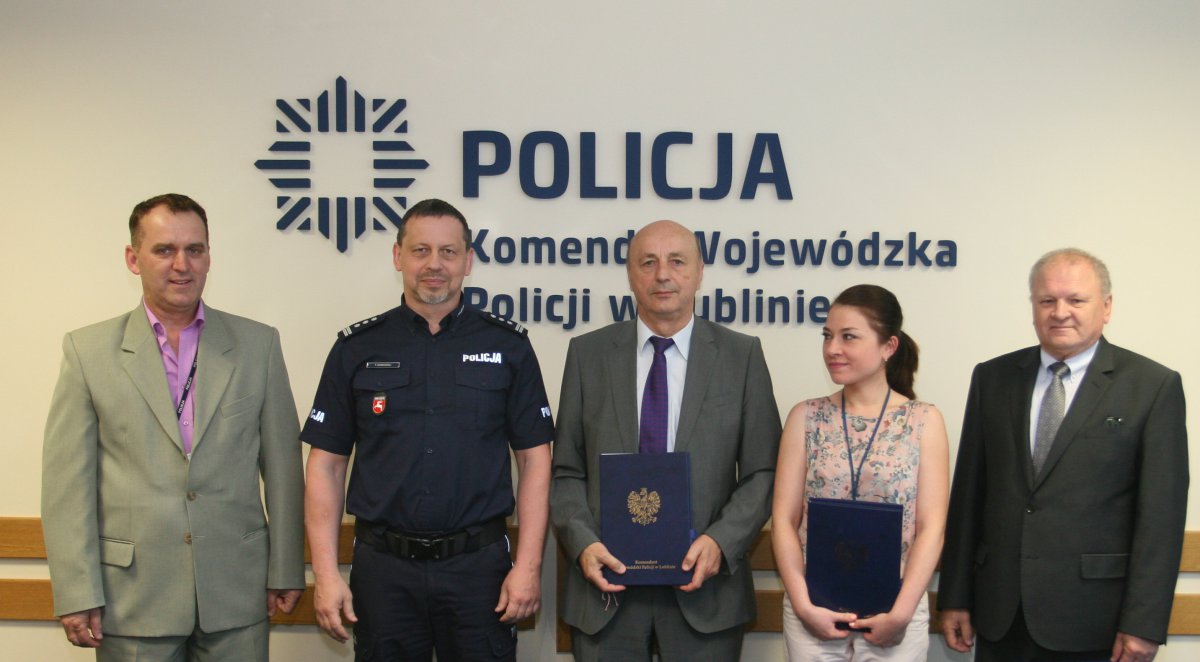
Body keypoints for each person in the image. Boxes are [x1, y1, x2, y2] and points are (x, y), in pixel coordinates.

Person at [41, 193, 306, 661]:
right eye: (164, 250)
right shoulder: (88, 352)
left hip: (236, 591)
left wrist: (285, 567)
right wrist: (77, 590)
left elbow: (283, 468)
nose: (182, 265)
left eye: (194, 250)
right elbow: (68, 486)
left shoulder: (257, 345)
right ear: (133, 258)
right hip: (132, 599)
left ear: (209, 257)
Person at [302, 198, 553, 661]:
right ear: (398, 256)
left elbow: (536, 461)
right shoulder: (356, 348)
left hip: (479, 571)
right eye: (420, 250)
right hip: (383, 572)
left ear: (468, 260)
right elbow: (326, 466)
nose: (434, 264)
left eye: (448, 252)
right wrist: (326, 573)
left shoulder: (508, 346)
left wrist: (529, 567)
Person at [939, 248, 1189, 662]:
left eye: (1076, 300)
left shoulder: (1151, 386)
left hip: (1094, 620)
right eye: (1046, 300)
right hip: (1001, 614)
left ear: (1106, 307)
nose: (1060, 312)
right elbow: (969, 495)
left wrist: (1143, 624)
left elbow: (1161, 518)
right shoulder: (993, 378)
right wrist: (955, 596)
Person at [551, 219, 782, 661]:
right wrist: (583, 544)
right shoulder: (587, 354)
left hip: (705, 593)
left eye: (677, 261)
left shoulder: (741, 355)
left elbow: (764, 471)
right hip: (606, 593)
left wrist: (721, 542)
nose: (662, 275)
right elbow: (566, 471)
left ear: (699, 271)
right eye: (648, 262)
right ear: (629, 273)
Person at [772, 284, 949, 661]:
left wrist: (900, 614)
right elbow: (784, 520)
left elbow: (931, 527)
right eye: (828, 336)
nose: (832, 348)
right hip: (813, 607)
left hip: (895, 607)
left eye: (849, 337)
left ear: (889, 346)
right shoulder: (805, 417)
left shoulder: (923, 421)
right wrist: (803, 606)